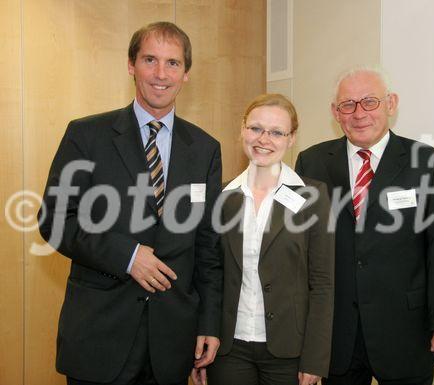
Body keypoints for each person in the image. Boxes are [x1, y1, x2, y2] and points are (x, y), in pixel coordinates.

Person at [38, 21, 222, 385]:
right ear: (130, 65)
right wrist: (128, 254)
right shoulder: (86, 136)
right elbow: (57, 219)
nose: (160, 74)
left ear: (186, 73)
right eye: (149, 60)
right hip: (99, 338)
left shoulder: (204, 149)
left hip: (172, 343)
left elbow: (208, 248)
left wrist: (209, 325)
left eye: (173, 63)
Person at [295, 68, 434, 385]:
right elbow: (300, 248)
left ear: (391, 103)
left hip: (405, 332)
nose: (359, 113)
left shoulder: (426, 162)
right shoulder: (312, 163)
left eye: (369, 102)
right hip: (337, 337)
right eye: (348, 105)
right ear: (335, 112)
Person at [197, 94, 334, 385]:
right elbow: (209, 274)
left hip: (289, 352)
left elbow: (322, 283)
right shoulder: (221, 197)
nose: (264, 139)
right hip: (228, 348)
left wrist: (315, 359)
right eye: (256, 128)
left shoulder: (314, 197)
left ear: (291, 138)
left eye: (276, 132)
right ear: (242, 129)